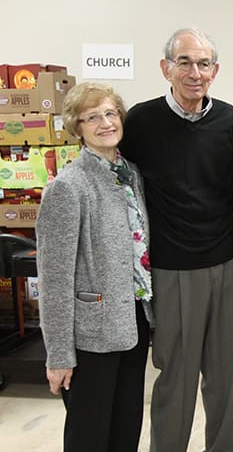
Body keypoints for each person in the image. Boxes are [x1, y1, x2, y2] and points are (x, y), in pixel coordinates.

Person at [119, 27, 233, 452]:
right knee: (175, 376)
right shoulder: (140, 121)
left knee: (225, 376)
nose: (195, 72)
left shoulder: (228, 118)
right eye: (185, 62)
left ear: (215, 70)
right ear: (165, 68)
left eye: (203, 63)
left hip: (228, 262)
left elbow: (229, 187)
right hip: (172, 268)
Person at [37, 81, 153, 451]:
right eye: (92, 117)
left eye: (110, 113)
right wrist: (58, 356)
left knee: (125, 429)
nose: (105, 122)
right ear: (77, 127)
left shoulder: (131, 174)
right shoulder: (69, 187)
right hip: (90, 336)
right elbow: (54, 279)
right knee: (90, 435)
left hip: (133, 324)